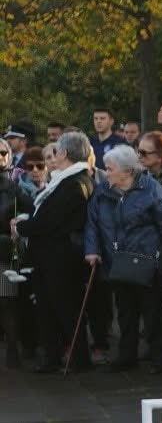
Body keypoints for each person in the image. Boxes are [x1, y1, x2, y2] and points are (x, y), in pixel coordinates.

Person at [85, 145, 162, 373]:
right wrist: (92, 249)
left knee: (152, 313)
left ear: (126, 171)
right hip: (116, 262)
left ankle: (159, 358)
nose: (105, 172)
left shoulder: (152, 191)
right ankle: (127, 355)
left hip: (147, 262)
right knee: (125, 312)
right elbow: (92, 222)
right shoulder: (103, 191)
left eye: (110, 169)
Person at [13, 131, 95, 372]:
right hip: (48, 256)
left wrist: (21, 226)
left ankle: (79, 359)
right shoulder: (66, 180)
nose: (52, 157)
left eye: (55, 152)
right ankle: (51, 357)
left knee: (66, 309)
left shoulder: (74, 183)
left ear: (65, 154)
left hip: (60, 258)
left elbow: (50, 221)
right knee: (47, 308)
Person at [1, 159, 35, 368]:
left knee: (7, 302)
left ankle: (14, 349)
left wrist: (18, 222)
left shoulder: (11, 188)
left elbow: (31, 210)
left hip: (3, 249)